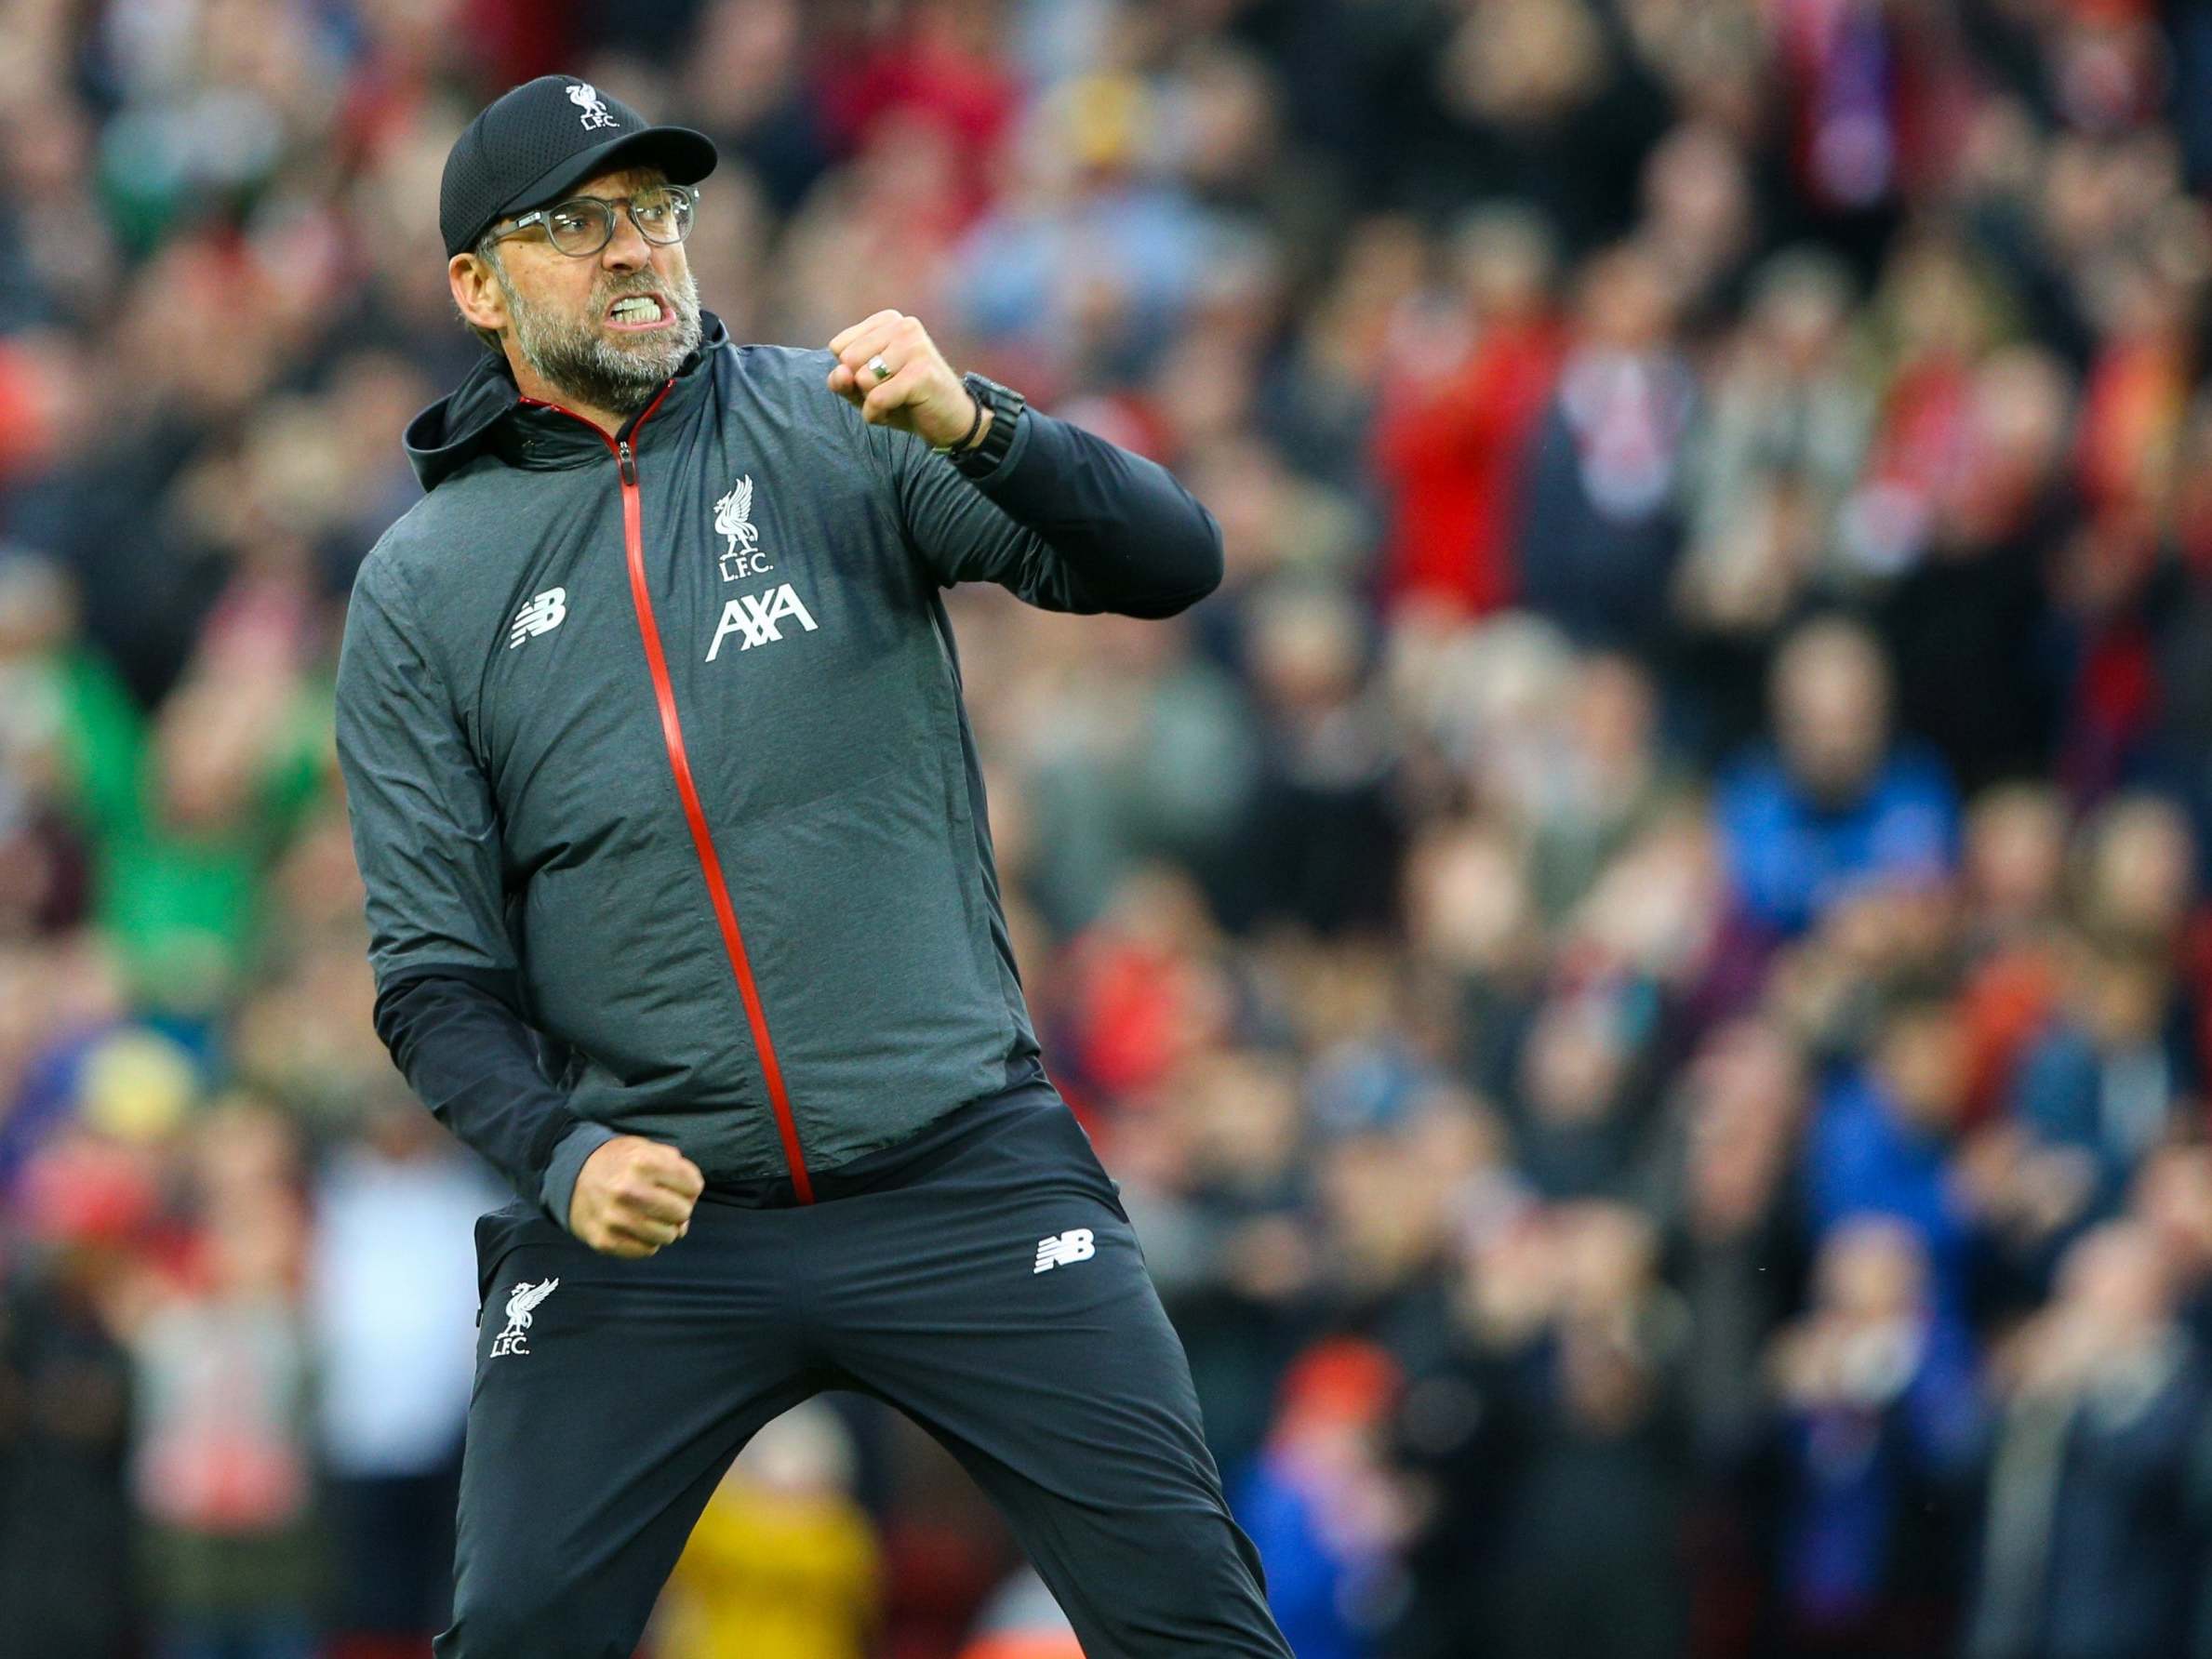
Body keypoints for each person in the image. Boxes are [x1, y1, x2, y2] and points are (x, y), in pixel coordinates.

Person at [332, 75, 1290, 1659]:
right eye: (581, 224)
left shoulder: (843, 420)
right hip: (656, 1220)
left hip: (958, 1164)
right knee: (510, 1632)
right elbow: (433, 981)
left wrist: (981, 423)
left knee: (1194, 1620)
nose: (637, 250)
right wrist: (562, 1157)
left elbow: (1168, 560)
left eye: (658, 211)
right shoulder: (423, 584)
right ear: (477, 286)